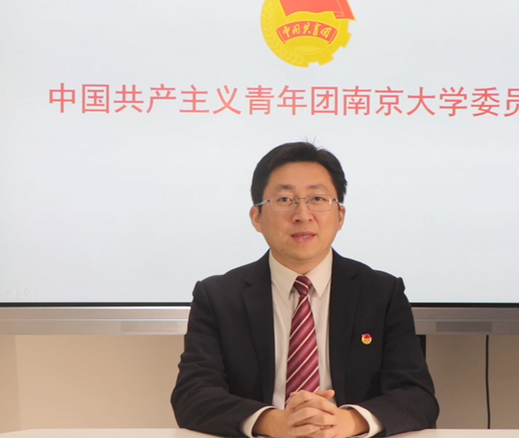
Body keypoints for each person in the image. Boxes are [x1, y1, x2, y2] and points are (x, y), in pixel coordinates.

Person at [171, 142, 438, 438]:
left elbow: (417, 397)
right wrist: (274, 422)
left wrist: (347, 422)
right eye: (285, 199)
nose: (302, 214)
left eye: (317, 199)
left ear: (340, 215)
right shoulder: (218, 296)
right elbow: (192, 395)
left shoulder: (381, 293)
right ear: (257, 217)